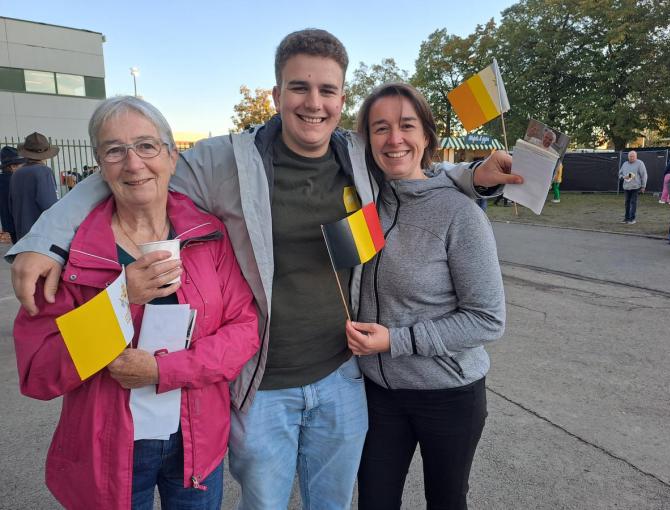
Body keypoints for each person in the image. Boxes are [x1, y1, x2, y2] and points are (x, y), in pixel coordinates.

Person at [6, 29, 520, 509]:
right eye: (299, 87)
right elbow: (136, 165)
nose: (313, 103)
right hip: (263, 386)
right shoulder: (223, 161)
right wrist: (46, 239)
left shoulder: (359, 154)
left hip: (343, 374)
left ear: (342, 99)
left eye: (327, 90)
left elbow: (411, 161)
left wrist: (472, 175)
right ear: (276, 94)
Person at [13, 96, 260, 509]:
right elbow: (38, 373)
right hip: (110, 450)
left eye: (146, 146)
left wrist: (163, 369)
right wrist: (120, 300)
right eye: (115, 150)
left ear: (171, 157)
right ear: (99, 164)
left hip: (195, 439)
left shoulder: (207, 234)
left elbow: (244, 329)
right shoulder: (67, 255)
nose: (133, 164)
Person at [347, 83, 505, 509]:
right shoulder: (366, 204)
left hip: (449, 394)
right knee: (375, 501)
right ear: (367, 141)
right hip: (378, 393)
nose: (394, 138)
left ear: (427, 137)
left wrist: (395, 341)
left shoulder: (460, 215)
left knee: (446, 501)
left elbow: (487, 318)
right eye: (380, 128)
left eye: (407, 125)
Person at [9, 132, 59, 240]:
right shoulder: (44, 171)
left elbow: (11, 204)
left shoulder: (16, 173)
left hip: (22, 233)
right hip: (40, 235)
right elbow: (50, 206)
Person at [0, 146, 25, 243]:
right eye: (21, 164)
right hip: (21, 224)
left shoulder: (2, 180)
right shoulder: (15, 180)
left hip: (10, 225)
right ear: (12, 166)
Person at [618, 150, 647, 224]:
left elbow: (644, 175)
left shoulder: (640, 163)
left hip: (635, 186)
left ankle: (632, 219)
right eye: (630, 156)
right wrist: (623, 177)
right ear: (628, 157)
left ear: (636, 156)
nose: (631, 158)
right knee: (627, 203)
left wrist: (643, 186)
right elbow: (620, 174)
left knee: (633, 202)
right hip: (626, 187)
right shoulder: (625, 164)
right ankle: (626, 218)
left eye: (633, 156)